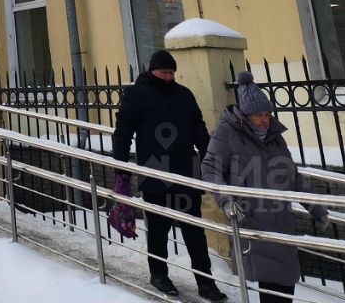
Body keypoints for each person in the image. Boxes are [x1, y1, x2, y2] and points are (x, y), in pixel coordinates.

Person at [202, 72, 330, 303]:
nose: (265, 120)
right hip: (251, 219)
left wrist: (316, 207)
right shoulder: (227, 132)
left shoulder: (275, 138)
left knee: (284, 284)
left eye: (267, 114)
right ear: (246, 115)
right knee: (271, 285)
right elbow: (210, 169)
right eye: (259, 115)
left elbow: (293, 176)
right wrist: (226, 200)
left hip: (281, 220)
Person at [113, 49, 226, 301]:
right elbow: (123, 130)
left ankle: (206, 282)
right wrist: (121, 166)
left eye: (172, 72)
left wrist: (207, 155)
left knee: (194, 230)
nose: (168, 76)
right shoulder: (136, 94)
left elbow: (198, 126)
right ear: (153, 70)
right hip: (155, 173)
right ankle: (158, 274)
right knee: (158, 229)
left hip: (186, 172)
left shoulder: (184, 94)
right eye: (164, 72)